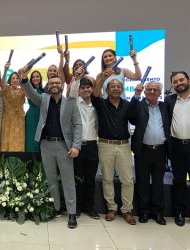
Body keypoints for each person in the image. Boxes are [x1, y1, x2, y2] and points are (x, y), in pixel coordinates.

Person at [20, 65, 82, 229]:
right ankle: (55, 209)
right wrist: (24, 79)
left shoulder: (71, 102)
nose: (54, 85)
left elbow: (77, 124)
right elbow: (31, 94)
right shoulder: (44, 99)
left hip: (64, 146)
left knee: (68, 181)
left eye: (57, 83)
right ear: (48, 85)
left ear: (62, 86)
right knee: (51, 180)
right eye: (52, 83)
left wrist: (76, 145)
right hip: (46, 145)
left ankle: (72, 213)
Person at [92, 76, 136, 225]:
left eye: (119, 86)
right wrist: (102, 79)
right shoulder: (101, 104)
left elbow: (135, 120)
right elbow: (95, 94)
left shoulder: (128, 105)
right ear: (107, 90)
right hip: (105, 145)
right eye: (113, 86)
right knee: (107, 179)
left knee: (128, 180)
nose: (116, 88)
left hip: (124, 145)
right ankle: (111, 208)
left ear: (122, 89)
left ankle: (127, 210)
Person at [128, 82, 169, 225]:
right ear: (145, 92)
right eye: (149, 89)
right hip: (143, 150)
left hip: (160, 150)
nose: (152, 91)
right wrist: (136, 95)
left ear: (160, 92)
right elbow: (131, 117)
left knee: (158, 183)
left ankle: (158, 213)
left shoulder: (165, 106)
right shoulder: (139, 105)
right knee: (142, 182)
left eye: (155, 90)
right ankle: (144, 211)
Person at [69, 71, 100, 219]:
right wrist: (77, 79)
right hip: (78, 146)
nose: (86, 90)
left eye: (88, 87)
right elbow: (73, 90)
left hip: (93, 145)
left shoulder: (97, 105)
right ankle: (79, 206)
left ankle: (90, 207)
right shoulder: (75, 102)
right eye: (83, 88)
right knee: (78, 178)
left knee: (90, 179)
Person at [165, 71, 190, 226]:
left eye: (181, 80)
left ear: (188, 80)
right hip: (177, 146)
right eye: (175, 81)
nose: (179, 83)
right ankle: (179, 212)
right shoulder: (169, 100)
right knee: (179, 181)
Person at [0, 65, 25, 152]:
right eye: (13, 78)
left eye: (17, 78)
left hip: (19, 120)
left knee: (19, 141)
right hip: (8, 120)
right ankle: (6, 164)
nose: (15, 80)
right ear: (10, 80)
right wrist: (5, 70)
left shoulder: (22, 90)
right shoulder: (7, 88)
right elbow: (2, 83)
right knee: (7, 142)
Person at [25, 70, 43, 152]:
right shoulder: (29, 89)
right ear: (31, 79)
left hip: (42, 116)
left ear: (40, 78)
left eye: (37, 76)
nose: (35, 78)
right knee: (32, 141)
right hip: (32, 117)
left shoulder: (44, 90)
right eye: (33, 77)